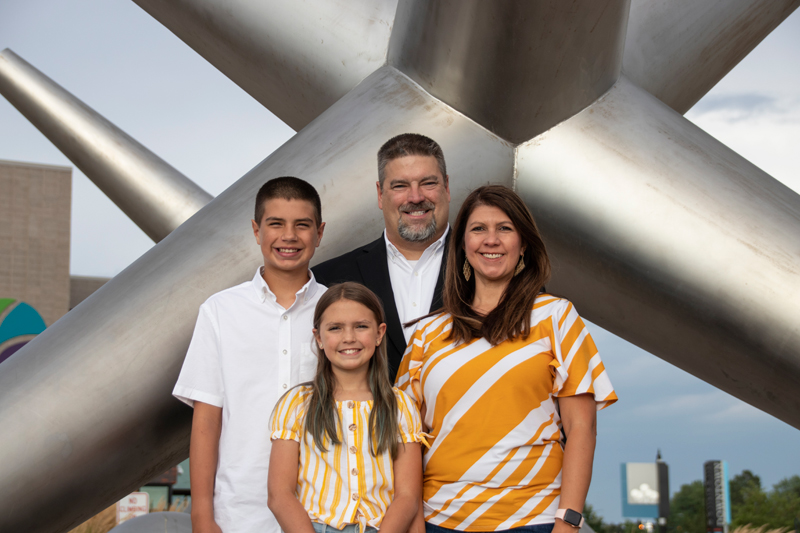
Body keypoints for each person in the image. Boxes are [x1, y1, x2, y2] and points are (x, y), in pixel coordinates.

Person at [396, 185, 617, 533]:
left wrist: (568, 521)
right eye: (478, 229)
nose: (491, 240)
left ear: (523, 243)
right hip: (439, 521)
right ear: (463, 246)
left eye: (505, 228)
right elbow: (405, 437)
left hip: (533, 520)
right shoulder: (427, 334)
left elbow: (581, 428)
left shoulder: (556, 317)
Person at [173, 177, 327, 533]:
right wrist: (201, 515)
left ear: (319, 233)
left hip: (325, 511)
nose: (289, 236)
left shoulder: (339, 311)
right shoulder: (220, 311)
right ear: (257, 231)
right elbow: (207, 421)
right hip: (241, 513)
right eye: (276, 224)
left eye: (302, 225)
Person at [268, 282, 425, 533]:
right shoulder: (297, 403)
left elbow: (407, 497)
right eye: (335, 328)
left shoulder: (401, 406)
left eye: (361, 326)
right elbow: (280, 495)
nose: (349, 337)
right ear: (318, 337)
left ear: (379, 333)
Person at [313, 133, 451, 380]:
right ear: (380, 194)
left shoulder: (493, 267)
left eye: (428, 183)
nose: (416, 197)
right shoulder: (328, 278)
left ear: (447, 188)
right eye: (400, 186)